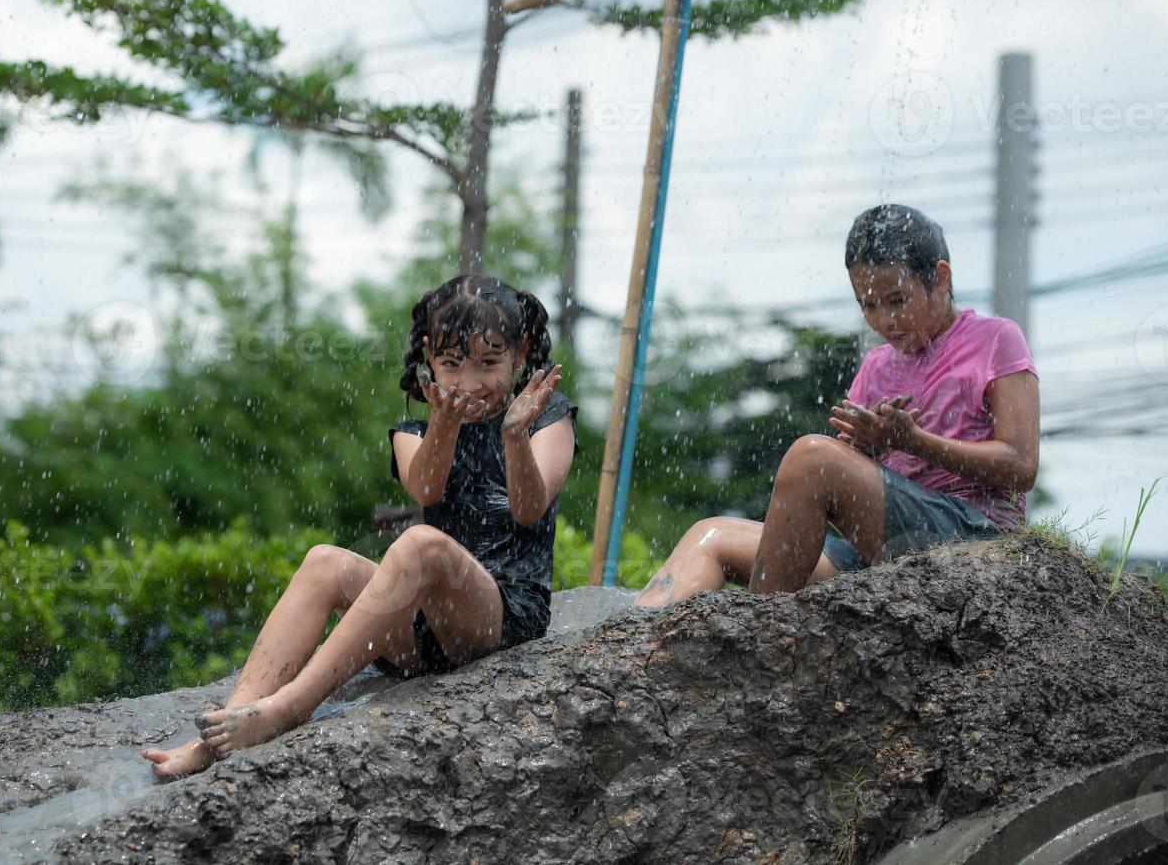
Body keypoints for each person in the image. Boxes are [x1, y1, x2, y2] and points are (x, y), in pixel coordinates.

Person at [142, 274, 578, 778]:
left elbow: (528, 508)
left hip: (499, 622)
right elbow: (427, 490)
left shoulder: (549, 419)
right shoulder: (413, 431)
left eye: (488, 363)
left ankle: (288, 708)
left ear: (519, 355)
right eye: (453, 365)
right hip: (422, 636)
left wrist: (515, 436)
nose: (469, 382)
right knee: (325, 561)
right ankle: (227, 727)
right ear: (428, 362)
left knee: (421, 544)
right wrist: (445, 423)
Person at [634, 203, 1039, 606]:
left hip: (973, 538)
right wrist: (870, 448)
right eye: (868, 305)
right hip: (884, 551)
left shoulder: (996, 339)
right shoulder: (878, 365)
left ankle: (756, 631)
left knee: (812, 457)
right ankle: (633, 646)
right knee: (711, 536)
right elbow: (840, 479)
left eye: (896, 300)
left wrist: (913, 441)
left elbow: (1021, 466)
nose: (884, 321)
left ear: (940, 277)